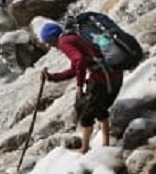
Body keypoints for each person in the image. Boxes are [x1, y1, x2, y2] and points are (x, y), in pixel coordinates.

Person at [39, 21, 124, 153]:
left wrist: (79, 85)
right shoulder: (74, 38)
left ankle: (84, 148)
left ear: (51, 38)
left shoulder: (64, 42)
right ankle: (105, 144)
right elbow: (75, 69)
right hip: (112, 74)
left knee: (86, 113)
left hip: (102, 78)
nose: (49, 45)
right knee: (100, 109)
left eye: (47, 42)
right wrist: (52, 77)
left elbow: (79, 60)